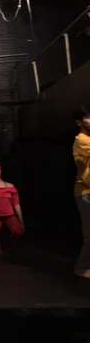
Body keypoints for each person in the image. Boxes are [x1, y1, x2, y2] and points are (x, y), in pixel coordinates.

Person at [72, 105, 90, 279]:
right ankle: (81, 268)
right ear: (79, 122)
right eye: (88, 118)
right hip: (86, 191)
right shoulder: (82, 140)